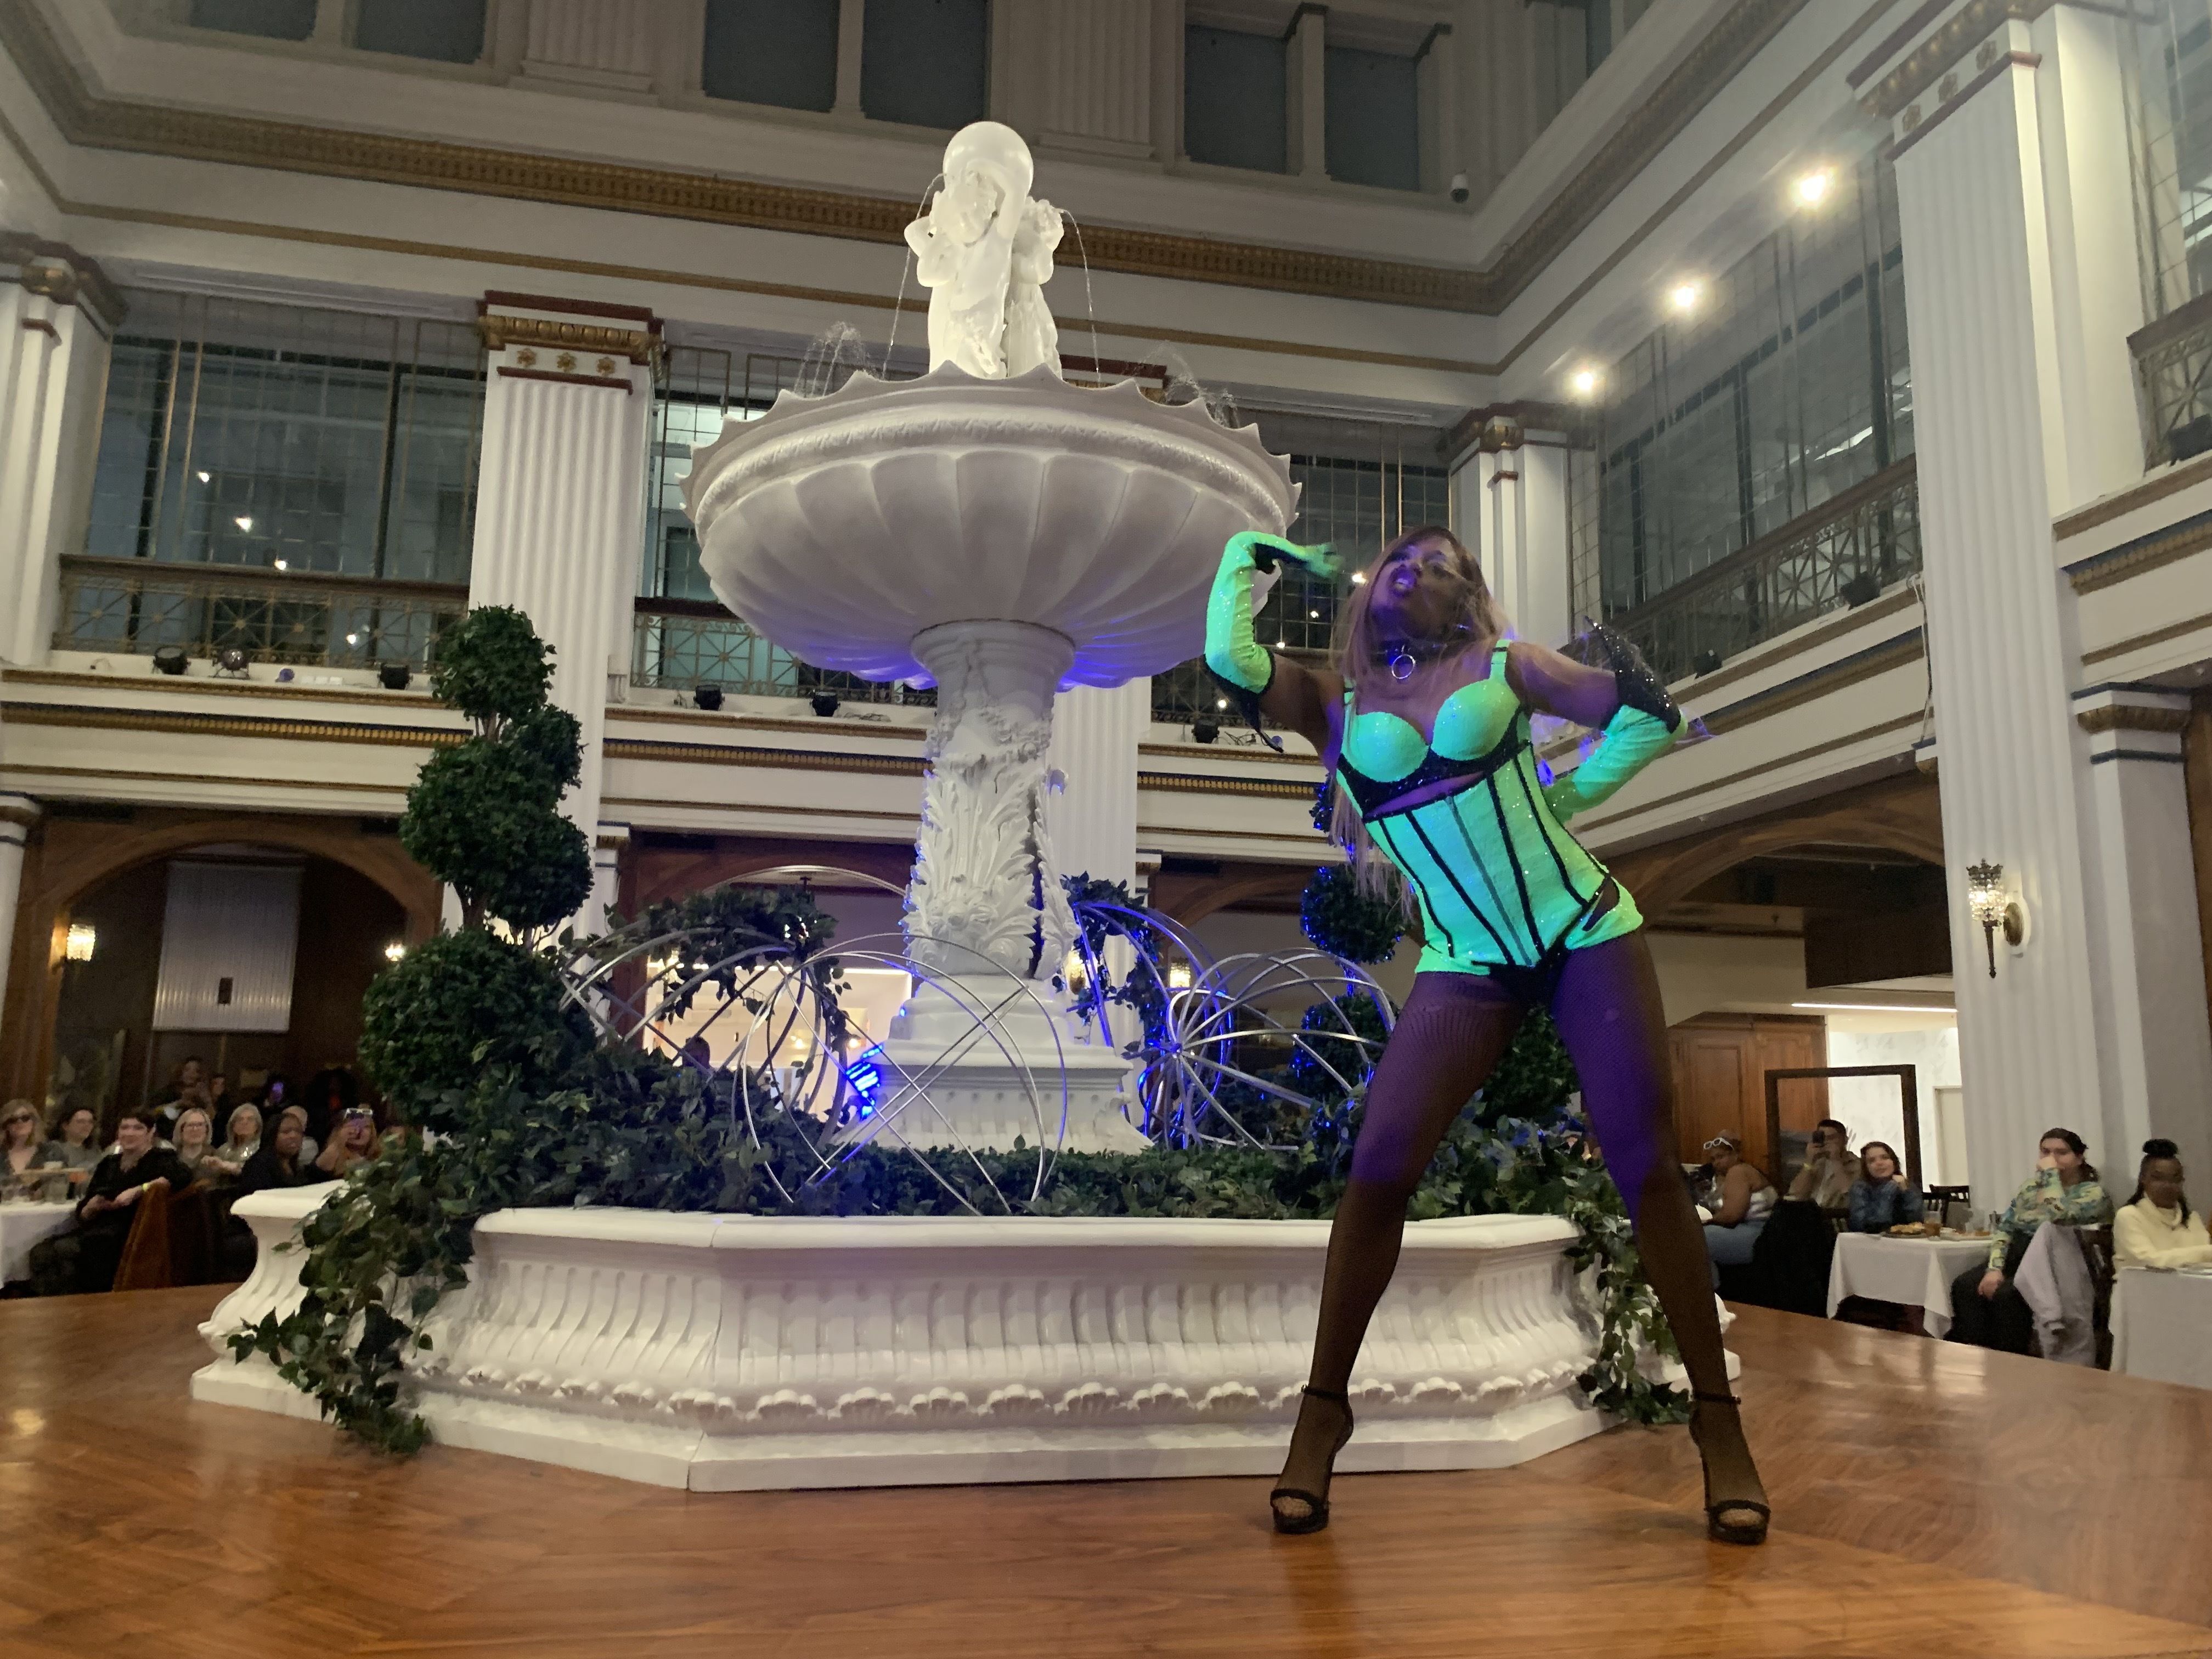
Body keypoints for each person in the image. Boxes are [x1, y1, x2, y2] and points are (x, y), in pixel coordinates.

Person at [1204, 524, 1768, 1544]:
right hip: (1465, 959)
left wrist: (1572, 791)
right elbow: (1229, 661)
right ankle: (1321, 1415)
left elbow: (1644, 711)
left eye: (1431, 561)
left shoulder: (1508, 665)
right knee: (1377, 1168)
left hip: (1585, 929)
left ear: (1465, 593)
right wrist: (1245, 563)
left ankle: (1717, 1420)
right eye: (1394, 563)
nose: (1404, 571)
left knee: (1644, 1164)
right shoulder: (1335, 699)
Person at [1948, 1127, 2112, 1352]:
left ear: (2079, 1158)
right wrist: (1994, 1269)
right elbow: (2006, 1228)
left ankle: (2012, 1359)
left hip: (2054, 1263)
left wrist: (2050, 1175)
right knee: (1965, 1286)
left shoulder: (2092, 1193)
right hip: (2019, 1252)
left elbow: (2059, 1214)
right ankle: (1978, 1353)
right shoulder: (2029, 1189)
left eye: (2061, 1153)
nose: (2051, 1159)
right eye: (2046, 1152)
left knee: (2008, 1295)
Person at [31, 1109, 192, 1294]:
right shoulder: (109, 1163)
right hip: (99, 1227)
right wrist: (89, 1208)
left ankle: (77, 1304)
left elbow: (183, 1177)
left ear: (150, 1132)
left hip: (130, 1234)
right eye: (125, 1128)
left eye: (137, 1128)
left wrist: (140, 1189)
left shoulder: (160, 1159)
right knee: (40, 1253)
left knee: (64, 1251)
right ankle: (51, 1307)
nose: (129, 1133)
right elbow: (85, 1204)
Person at [2113, 1138, 2212, 1268]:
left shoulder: (2192, 1218)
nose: (2168, 1185)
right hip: (2142, 1287)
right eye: (2158, 1178)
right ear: (2143, 1179)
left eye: (2175, 1179)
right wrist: (2205, 1253)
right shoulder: (2129, 1216)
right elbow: (2150, 1262)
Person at [1701, 1133, 1778, 1286]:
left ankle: (1711, 1294)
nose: (1716, 1163)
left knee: (1697, 1237)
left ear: (1736, 1154)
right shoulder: (1723, 1177)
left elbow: (1732, 1215)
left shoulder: (1739, 1172)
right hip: (1756, 1231)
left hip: (1758, 1234)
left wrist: (1706, 1220)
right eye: (1713, 1159)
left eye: (1721, 1157)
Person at [234, 1110, 334, 1199]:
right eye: (286, 1132)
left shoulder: (295, 1167)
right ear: (272, 1136)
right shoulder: (257, 1166)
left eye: (298, 1131)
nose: (294, 1136)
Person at [1846, 1141, 1925, 1233]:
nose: (1879, 1163)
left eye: (1885, 1158)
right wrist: (1887, 1194)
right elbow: (1867, 1226)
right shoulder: (1860, 1188)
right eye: (1872, 1161)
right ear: (1866, 1168)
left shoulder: (1906, 1185)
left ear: (1894, 1162)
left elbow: (1917, 1222)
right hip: (1871, 1242)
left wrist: (1906, 1192)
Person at [1788, 1119, 1861, 1210]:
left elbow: (1851, 1198)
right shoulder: (1816, 1163)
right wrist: (1809, 1162)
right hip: (1808, 1215)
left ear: (1845, 1140)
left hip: (1835, 1216)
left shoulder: (1858, 1165)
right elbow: (1796, 1195)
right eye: (1822, 1138)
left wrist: (1836, 1161)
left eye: (1831, 1138)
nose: (1826, 1142)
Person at [314, 1108, 380, 1179]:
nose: (359, 1130)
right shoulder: (332, 1155)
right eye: (353, 1125)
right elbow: (318, 1171)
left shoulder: (379, 1158)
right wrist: (339, 1142)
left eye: (366, 1127)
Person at [210, 1103, 263, 1177]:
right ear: (233, 1126)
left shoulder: (263, 1149)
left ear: (257, 1126)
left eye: (250, 1119)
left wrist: (227, 1166)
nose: (244, 1122)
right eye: (240, 1119)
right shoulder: (223, 1150)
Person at [169, 1106, 219, 1180]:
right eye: (190, 1125)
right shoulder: (170, 1157)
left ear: (207, 1130)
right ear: (181, 1130)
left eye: (200, 1125)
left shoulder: (215, 1156)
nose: (195, 1129)